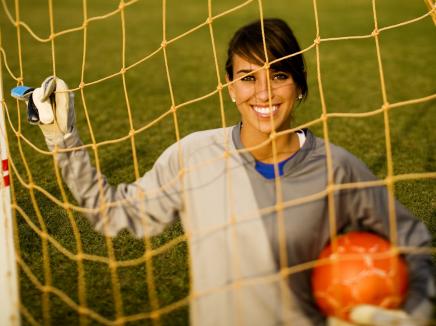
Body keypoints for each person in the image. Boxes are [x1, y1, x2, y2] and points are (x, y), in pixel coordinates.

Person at [20, 18, 433, 326]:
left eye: (280, 75)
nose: (265, 91)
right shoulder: (195, 155)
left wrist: (413, 313)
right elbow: (111, 212)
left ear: (300, 86)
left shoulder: (337, 168)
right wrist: (64, 139)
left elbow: (412, 240)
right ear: (230, 86)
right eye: (248, 78)